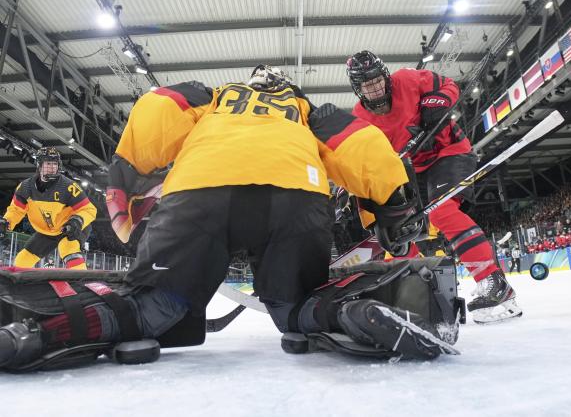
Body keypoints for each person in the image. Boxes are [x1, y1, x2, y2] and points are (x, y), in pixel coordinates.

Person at [0, 67, 461, 371]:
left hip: (201, 188)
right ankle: (349, 312)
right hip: (294, 192)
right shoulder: (305, 112)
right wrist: (392, 204)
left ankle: (35, 332)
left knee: (154, 304)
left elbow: (157, 106)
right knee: (294, 306)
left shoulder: (215, 96)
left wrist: (128, 173)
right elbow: (362, 146)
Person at [345, 50, 521, 323]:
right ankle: (421, 289)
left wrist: (433, 107)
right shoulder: (360, 118)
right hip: (412, 172)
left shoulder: (408, 79)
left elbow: (449, 86)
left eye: (377, 79)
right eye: (367, 84)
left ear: (386, 76)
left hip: (448, 152)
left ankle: (494, 283)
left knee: (442, 212)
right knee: (395, 232)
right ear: (358, 89)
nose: (375, 87)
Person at [0, 147, 96, 269]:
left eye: (55, 164)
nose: (52, 167)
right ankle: (21, 287)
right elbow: (16, 210)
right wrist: (6, 221)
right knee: (22, 260)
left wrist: (77, 221)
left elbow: (89, 209)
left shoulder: (68, 186)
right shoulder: (25, 187)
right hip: (46, 232)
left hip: (71, 228)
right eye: (48, 163)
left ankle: (81, 283)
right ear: (39, 166)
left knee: (68, 249)